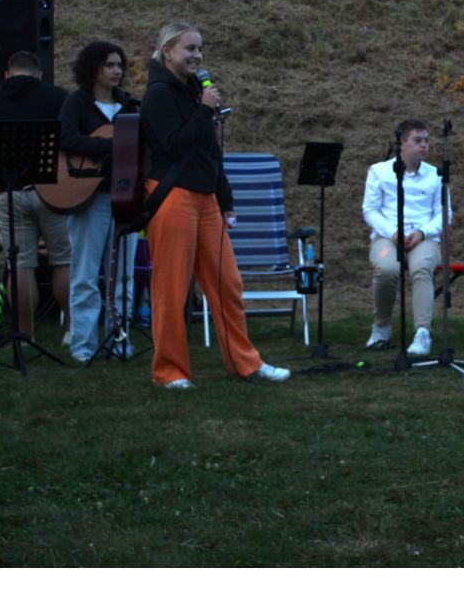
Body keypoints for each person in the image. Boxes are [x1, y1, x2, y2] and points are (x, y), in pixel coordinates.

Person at [140, 21, 290, 389]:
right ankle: (170, 372)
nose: (197, 56)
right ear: (167, 52)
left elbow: (210, 152)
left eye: (199, 49)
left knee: (227, 284)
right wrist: (205, 112)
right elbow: (173, 146)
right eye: (189, 49)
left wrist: (225, 199)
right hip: (172, 196)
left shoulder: (195, 93)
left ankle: (245, 364)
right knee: (172, 289)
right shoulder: (158, 94)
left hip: (206, 198)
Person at [0, 51, 71, 337]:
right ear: (39, 75)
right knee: (64, 260)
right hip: (54, 193)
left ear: (6, 75)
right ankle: (75, 333)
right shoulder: (58, 98)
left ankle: (25, 335)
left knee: (21, 264)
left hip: (7, 192)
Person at [58, 41, 139, 363]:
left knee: (124, 275)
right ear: (93, 68)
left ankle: (119, 341)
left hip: (126, 198)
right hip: (88, 198)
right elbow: (65, 138)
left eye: (119, 65)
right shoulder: (76, 103)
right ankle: (83, 346)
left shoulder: (129, 105)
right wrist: (108, 145)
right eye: (109, 65)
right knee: (85, 275)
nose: (116, 71)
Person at [361, 120, 448, 355]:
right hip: (387, 237)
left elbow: (445, 214)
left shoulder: (435, 174)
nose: (424, 146)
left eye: (427, 141)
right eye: (417, 141)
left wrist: (422, 233)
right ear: (402, 143)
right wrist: (392, 232)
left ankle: (422, 332)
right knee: (387, 268)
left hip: (424, 238)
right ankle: (381, 326)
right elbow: (370, 210)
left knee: (421, 268)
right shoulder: (379, 171)